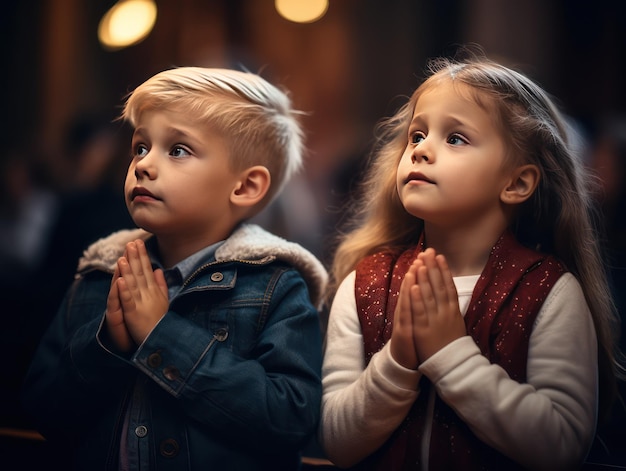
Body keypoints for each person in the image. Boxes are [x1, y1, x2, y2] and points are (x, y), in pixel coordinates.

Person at [319, 53, 622, 471]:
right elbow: (337, 441)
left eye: (455, 138)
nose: (422, 150)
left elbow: (562, 444)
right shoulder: (365, 283)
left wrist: (450, 353)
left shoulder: (548, 290)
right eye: (417, 135)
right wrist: (399, 359)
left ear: (517, 182)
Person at [22, 67, 327, 470]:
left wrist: (161, 335)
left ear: (245, 186)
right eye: (141, 147)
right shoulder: (101, 271)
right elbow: (42, 408)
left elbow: (290, 419)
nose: (144, 165)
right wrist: (108, 345)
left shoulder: (276, 284)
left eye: (178, 149)